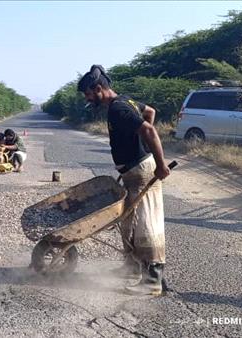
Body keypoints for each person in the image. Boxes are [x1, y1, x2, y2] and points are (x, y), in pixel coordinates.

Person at [77, 65, 170, 296]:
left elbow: (148, 128)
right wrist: (139, 148)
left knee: (145, 224)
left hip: (141, 172)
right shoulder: (125, 102)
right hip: (132, 171)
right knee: (127, 222)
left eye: (88, 94)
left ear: (99, 88)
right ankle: (132, 268)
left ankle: (153, 281)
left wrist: (159, 163)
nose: (88, 99)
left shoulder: (118, 108)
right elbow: (150, 111)